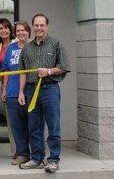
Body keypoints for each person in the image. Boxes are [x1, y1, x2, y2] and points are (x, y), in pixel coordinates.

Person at [18, 14, 70, 173]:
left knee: (53, 126)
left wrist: (48, 71)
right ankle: (36, 158)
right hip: (31, 89)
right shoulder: (27, 47)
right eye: (36, 25)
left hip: (49, 89)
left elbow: (64, 66)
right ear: (33, 27)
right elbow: (23, 71)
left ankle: (53, 160)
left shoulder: (56, 44)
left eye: (42, 25)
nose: (39, 28)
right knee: (34, 126)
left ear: (47, 26)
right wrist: (21, 92)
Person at [1, 20, 31, 165]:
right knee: (16, 125)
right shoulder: (11, 48)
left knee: (32, 124)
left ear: (28, 32)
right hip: (12, 92)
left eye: (23, 30)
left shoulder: (33, 47)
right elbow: (6, 70)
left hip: (30, 91)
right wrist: (4, 90)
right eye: (18, 31)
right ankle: (22, 153)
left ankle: (35, 153)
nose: (20, 33)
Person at [0, 18, 16, 157]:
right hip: (0, 84)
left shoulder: (16, 43)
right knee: (7, 118)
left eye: (6, 28)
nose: (3, 31)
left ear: (10, 29)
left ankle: (21, 150)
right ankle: (15, 150)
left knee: (15, 119)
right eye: (0, 28)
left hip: (15, 84)